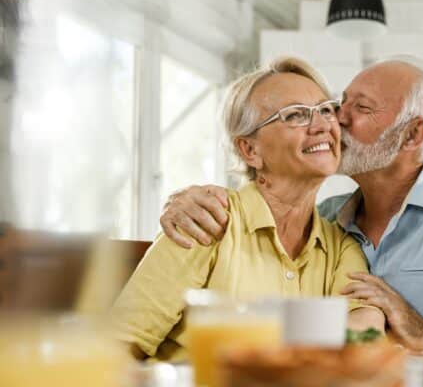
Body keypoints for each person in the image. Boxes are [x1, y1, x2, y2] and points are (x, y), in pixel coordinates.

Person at [159, 56, 423, 348]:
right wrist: (187, 199)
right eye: (338, 103)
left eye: (359, 108)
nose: (334, 118)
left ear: (413, 135)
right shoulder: (323, 222)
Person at [111, 57, 384, 361]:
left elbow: (364, 330)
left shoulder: (341, 246)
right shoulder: (205, 220)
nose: (321, 125)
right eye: (295, 115)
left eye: (324, 110)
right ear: (250, 150)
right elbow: (118, 347)